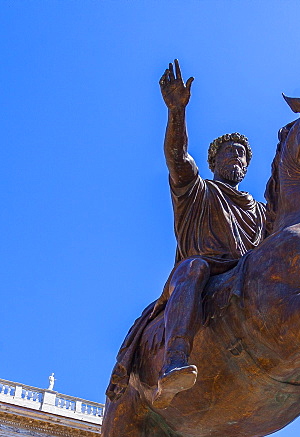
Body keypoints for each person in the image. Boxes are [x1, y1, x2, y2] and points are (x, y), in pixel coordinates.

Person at [107, 60, 269, 407]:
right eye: (230, 152)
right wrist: (176, 111)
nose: (238, 159)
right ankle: (175, 358)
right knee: (194, 268)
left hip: (243, 275)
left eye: (243, 155)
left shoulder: (260, 211)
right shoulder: (196, 190)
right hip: (197, 274)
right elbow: (176, 155)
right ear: (214, 161)